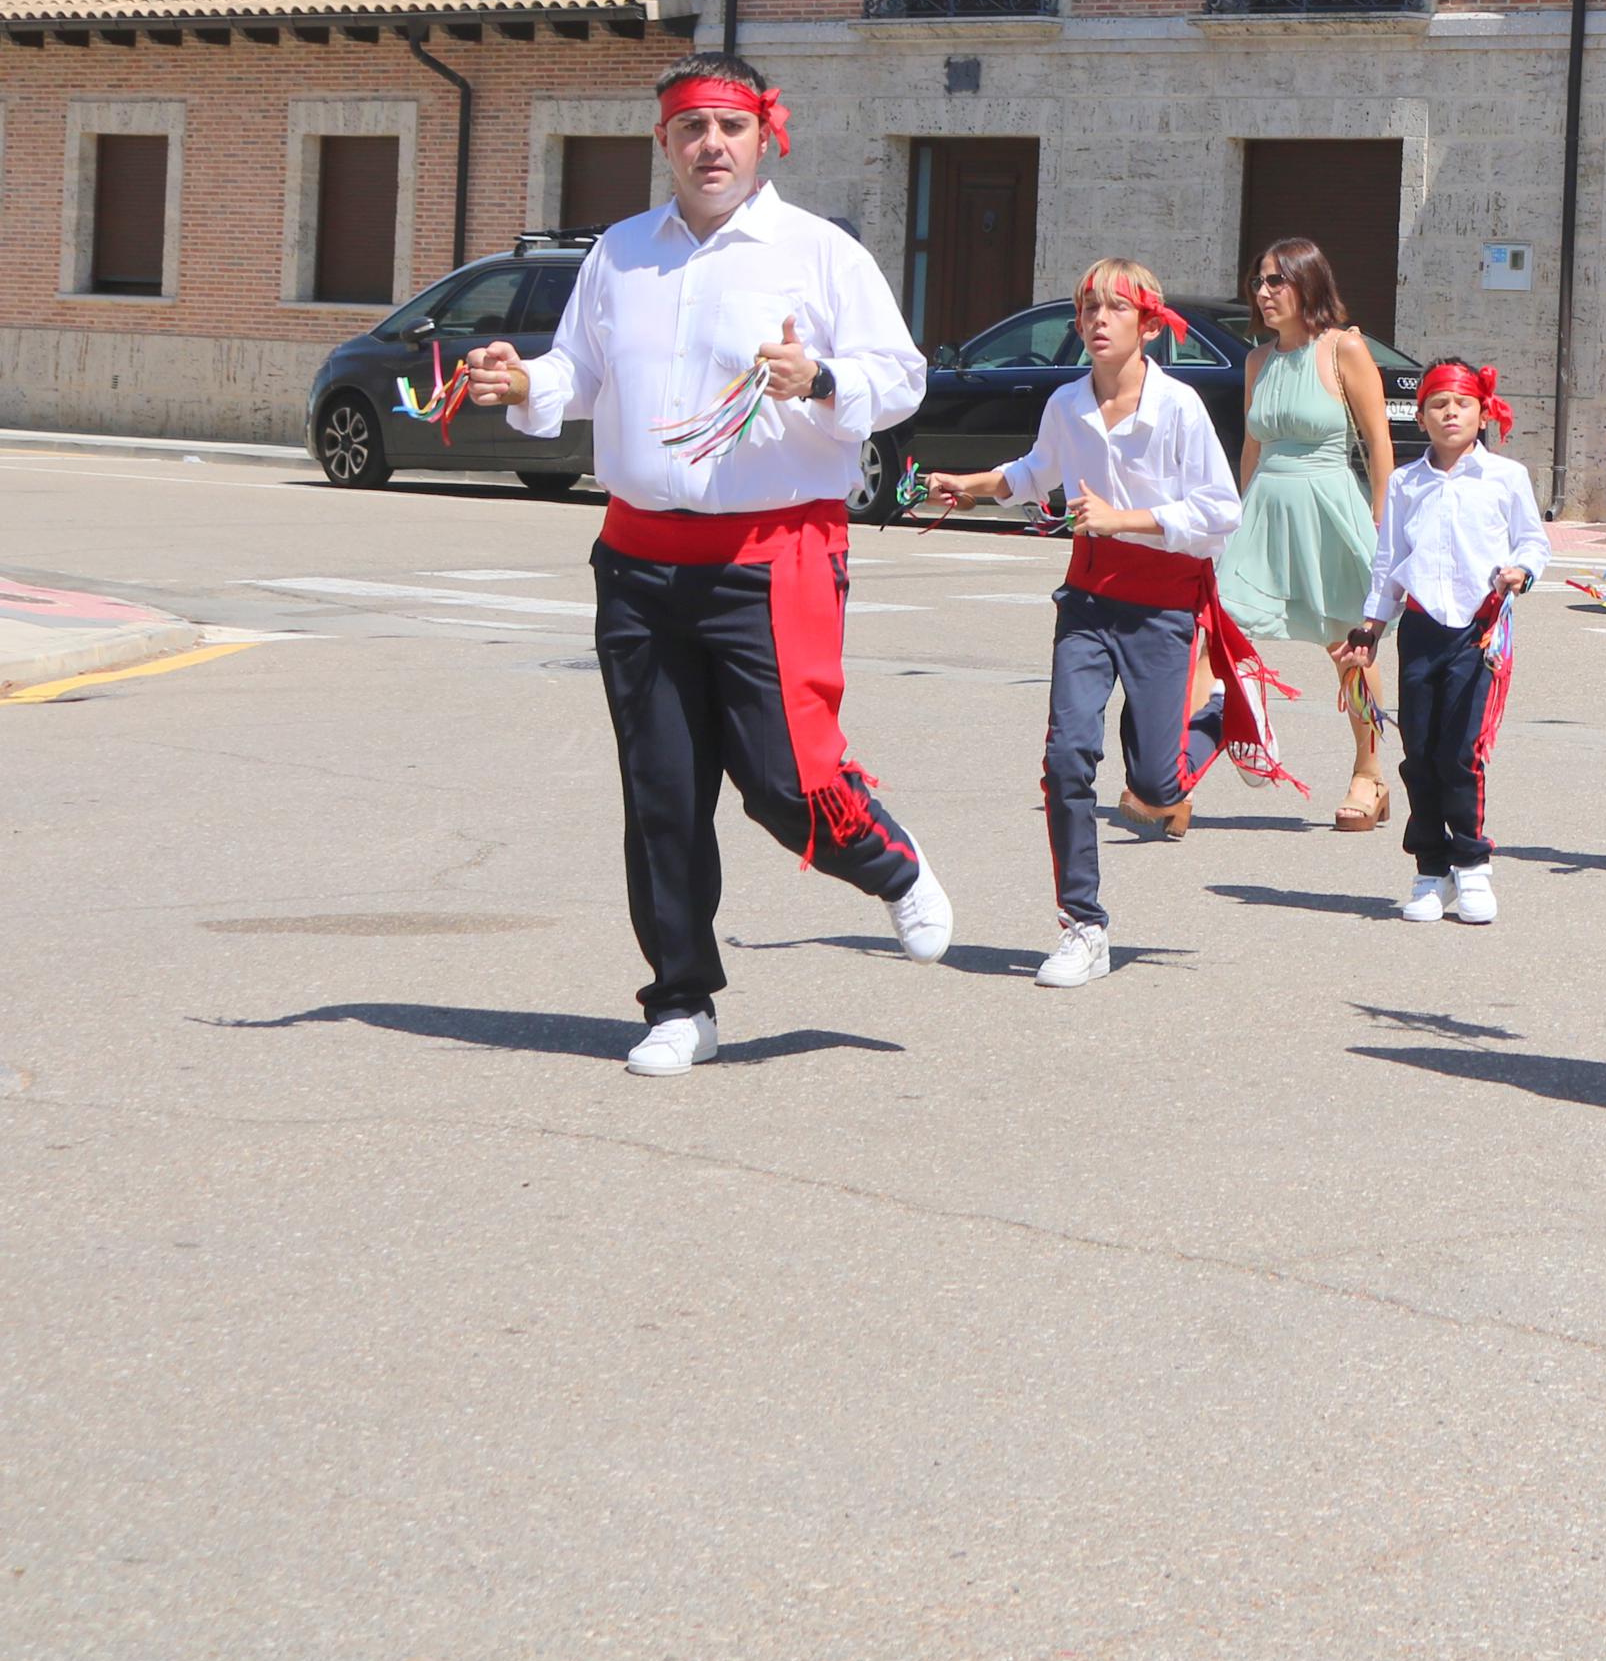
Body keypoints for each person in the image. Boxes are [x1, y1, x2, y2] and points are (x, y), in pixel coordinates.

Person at [458, 52, 949, 1076]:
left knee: (783, 782)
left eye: (728, 128)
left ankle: (889, 864)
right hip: (637, 560)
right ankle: (681, 1001)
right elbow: (579, 374)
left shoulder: (818, 254)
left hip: (769, 556)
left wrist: (819, 377)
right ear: (664, 143)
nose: (710, 147)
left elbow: (901, 377)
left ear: (764, 136)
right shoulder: (620, 254)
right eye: (691, 130)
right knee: (663, 794)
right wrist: (521, 379)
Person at [919, 258, 1273, 990]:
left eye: (1115, 308)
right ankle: (1082, 923)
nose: (1098, 321)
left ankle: (1225, 713)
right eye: (1088, 309)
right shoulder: (1065, 404)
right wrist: (974, 485)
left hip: (1163, 607)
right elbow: (1032, 472)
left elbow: (1220, 512)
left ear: (1148, 325)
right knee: (1065, 759)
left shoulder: (1177, 408)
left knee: (1154, 785)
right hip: (1085, 602)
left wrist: (1126, 519)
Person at [1349, 364, 1549, 928]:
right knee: (1421, 753)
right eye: (1437, 404)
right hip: (1421, 630)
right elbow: (1389, 561)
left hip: (1478, 632)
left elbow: (1534, 540)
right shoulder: (1408, 483)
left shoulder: (1505, 477)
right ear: (1421, 416)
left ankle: (1472, 863)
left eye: (1462, 403)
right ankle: (1430, 868)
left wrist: (1521, 570)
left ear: (1483, 412)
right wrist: (1371, 627)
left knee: (1462, 752)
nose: (1450, 413)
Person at [1219, 236, 1396, 834]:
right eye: (1258, 282)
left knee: (1348, 647)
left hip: (1329, 507)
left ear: (1307, 285)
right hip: (1266, 509)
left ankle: (1369, 772)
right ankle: (1182, 768)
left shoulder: (1344, 347)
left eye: (1276, 281)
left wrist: (1382, 520)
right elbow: (1251, 446)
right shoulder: (1256, 361)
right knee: (1212, 633)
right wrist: (1239, 519)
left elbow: (1377, 442)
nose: (1263, 292)